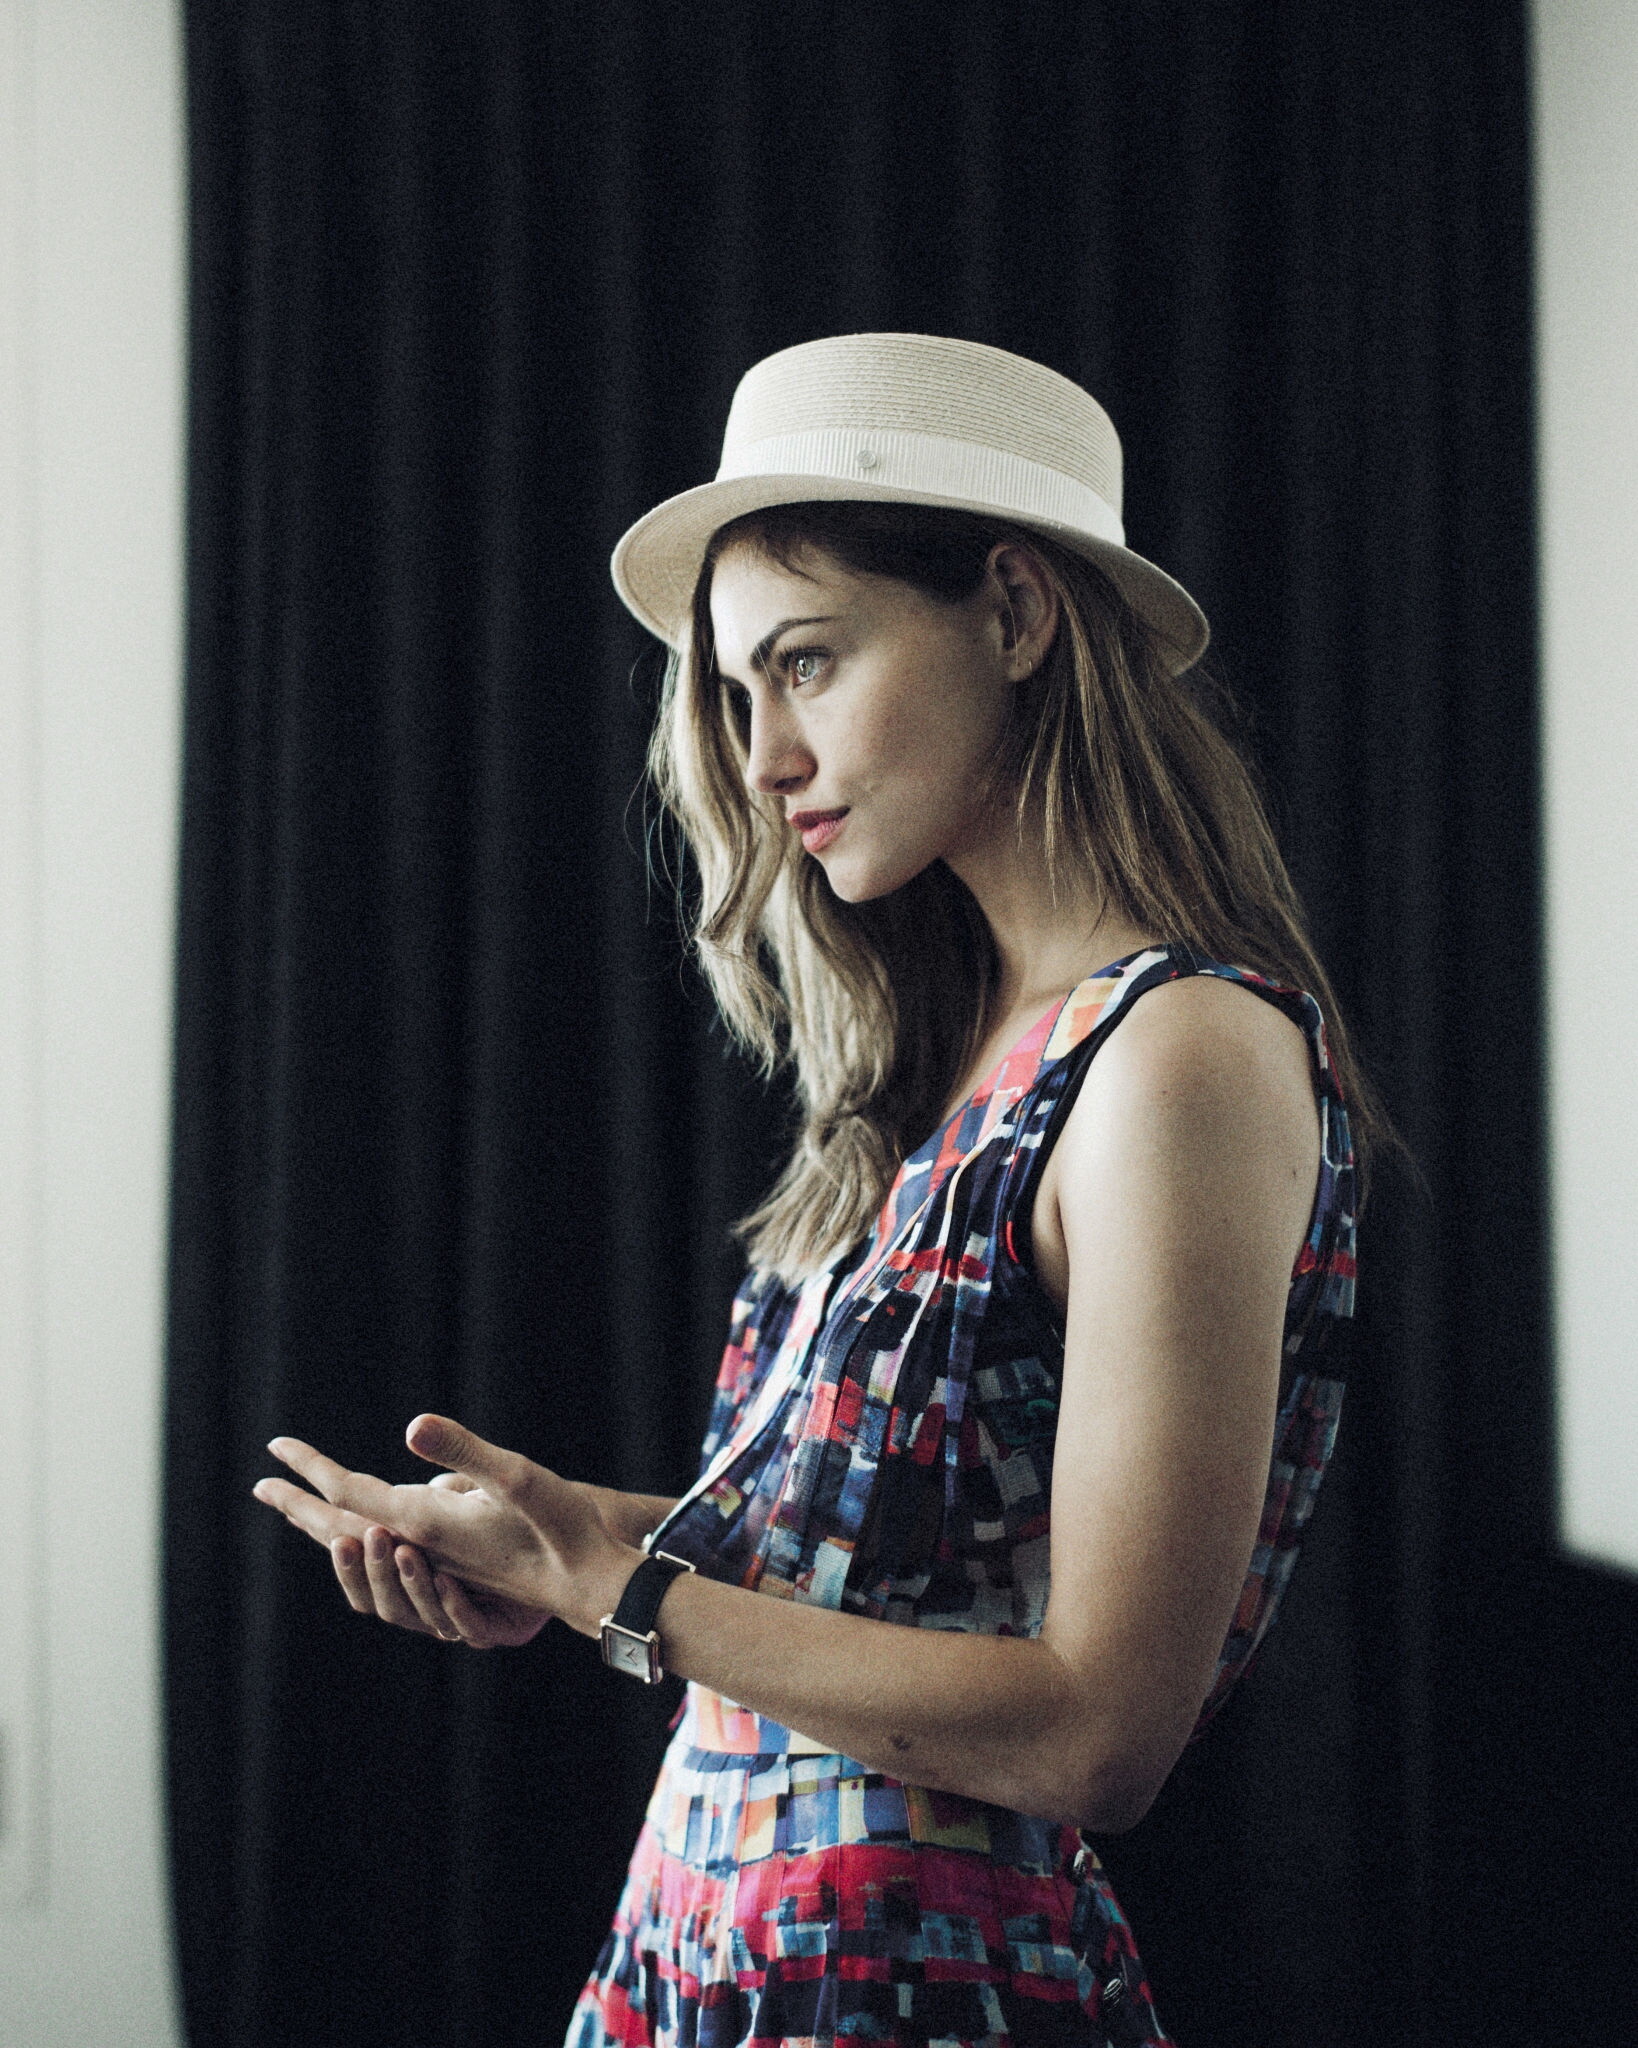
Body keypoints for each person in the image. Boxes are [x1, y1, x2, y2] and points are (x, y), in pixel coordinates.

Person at [253, 333, 1367, 2048]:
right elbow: (869, 1581)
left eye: (809, 662)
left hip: (917, 1987)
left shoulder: (1178, 1055)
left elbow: (1096, 1736)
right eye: (737, 692)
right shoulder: (960, 1058)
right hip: (712, 1947)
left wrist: (615, 1586)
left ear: (1013, 610)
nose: (765, 756)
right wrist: (556, 1540)